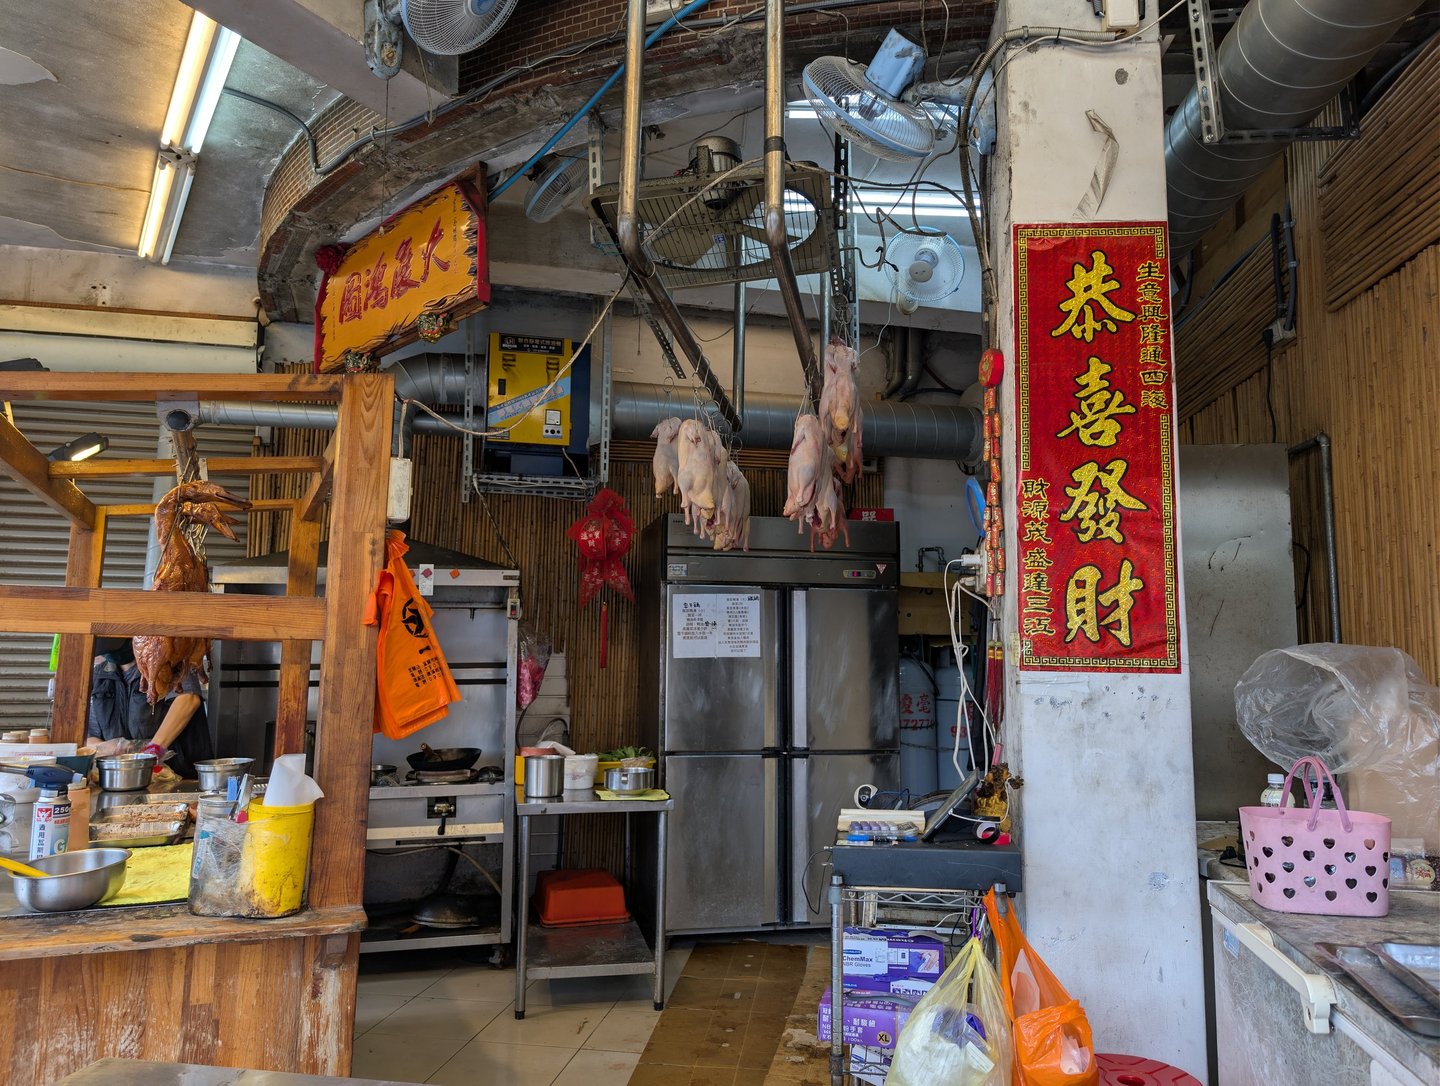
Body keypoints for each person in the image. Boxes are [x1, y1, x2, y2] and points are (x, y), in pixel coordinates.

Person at [88, 638, 214, 779]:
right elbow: (90, 737)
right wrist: (108, 749)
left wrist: (154, 750)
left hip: (178, 775)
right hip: (122, 779)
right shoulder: (99, 676)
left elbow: (188, 699)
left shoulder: (165, 658)